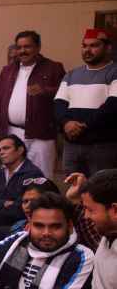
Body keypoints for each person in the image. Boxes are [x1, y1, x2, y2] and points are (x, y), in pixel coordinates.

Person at [0, 31, 65, 179]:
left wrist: (44, 91)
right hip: (11, 133)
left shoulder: (53, 68)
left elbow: (64, 94)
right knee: (11, 175)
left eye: (27, 46)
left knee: (41, 177)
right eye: (19, 47)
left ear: (38, 47)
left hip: (40, 135)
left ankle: (40, 202)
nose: (22, 51)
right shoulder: (7, 71)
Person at [54, 28, 117, 177]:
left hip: (103, 146)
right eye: (84, 46)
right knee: (73, 191)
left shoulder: (114, 72)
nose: (87, 50)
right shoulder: (71, 74)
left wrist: (84, 125)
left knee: (101, 192)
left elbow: (113, 106)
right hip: (72, 145)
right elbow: (59, 104)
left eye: (94, 46)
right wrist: (66, 123)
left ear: (108, 48)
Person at [0, 135, 44, 241]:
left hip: (20, 227)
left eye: (6, 148)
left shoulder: (32, 173)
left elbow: (21, 209)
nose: (1, 153)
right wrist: (3, 203)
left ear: (20, 150)